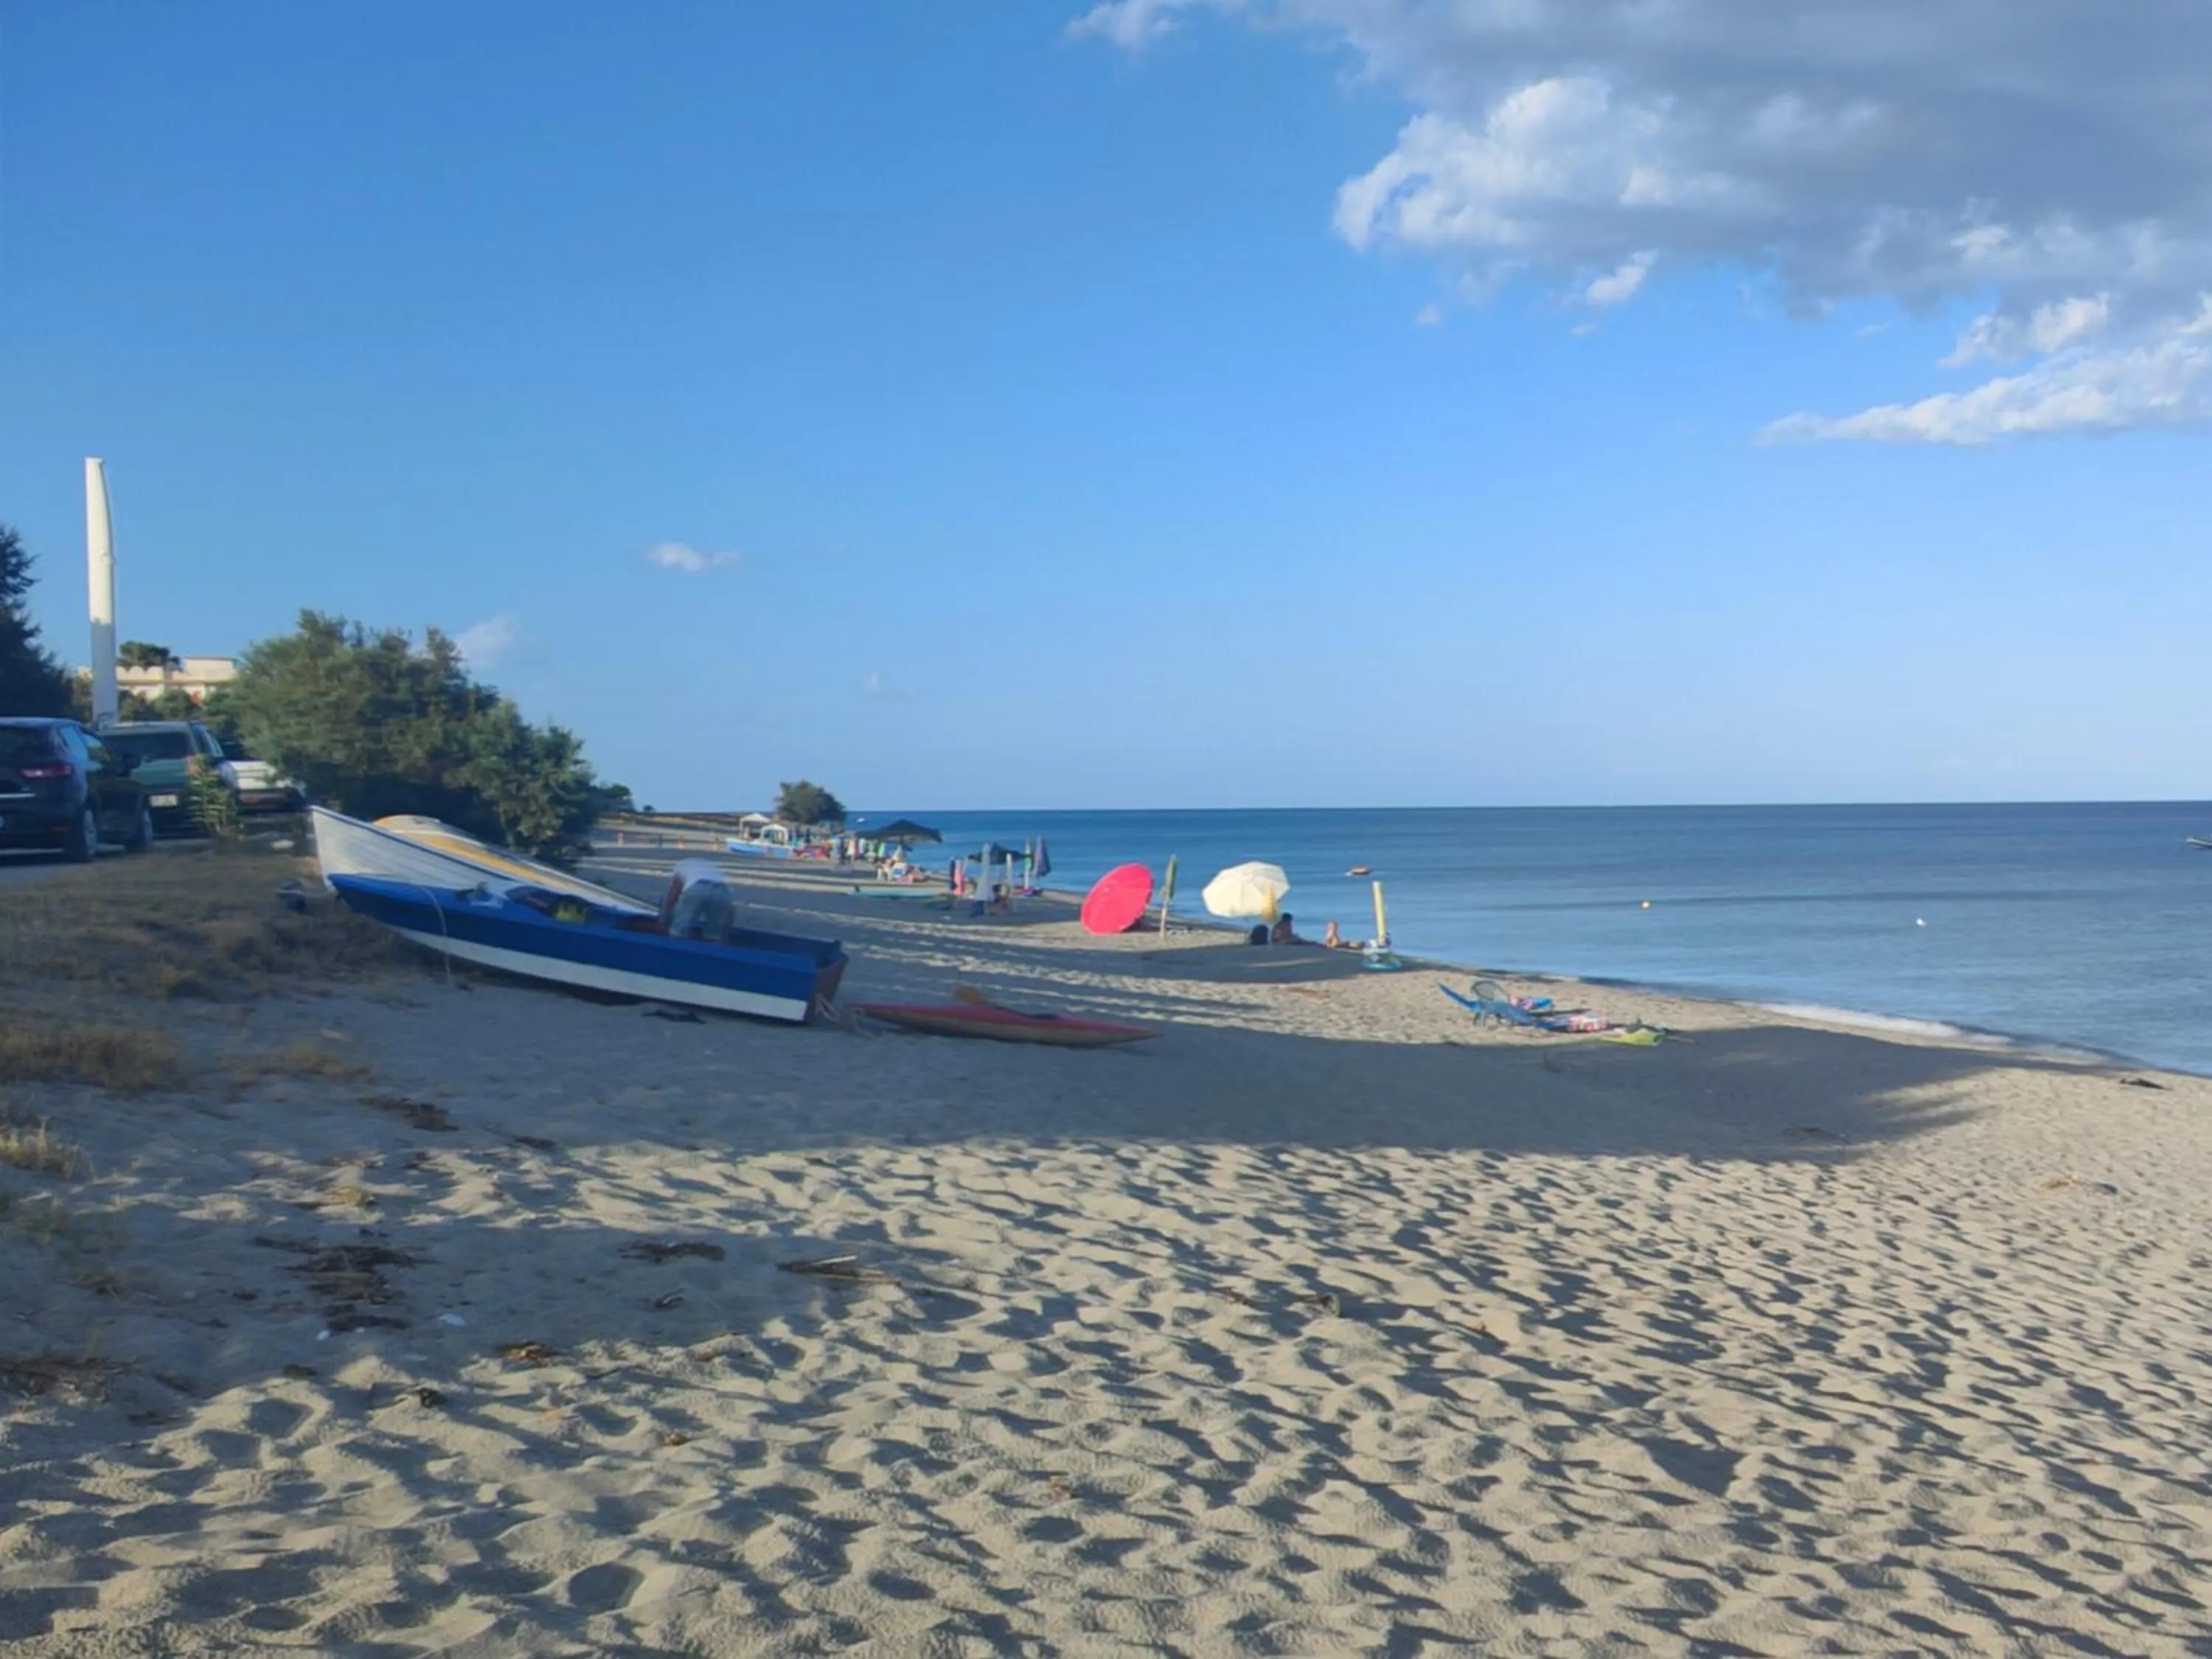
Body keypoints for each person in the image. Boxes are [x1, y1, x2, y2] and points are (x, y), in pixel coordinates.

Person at [661, 856, 736, 942]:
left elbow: (673, 895)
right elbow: (731, 909)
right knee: (713, 933)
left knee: (679, 929)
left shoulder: (680, 867)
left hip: (698, 887)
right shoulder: (711, 867)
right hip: (723, 891)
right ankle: (713, 948)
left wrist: (663, 919)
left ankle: (675, 946)